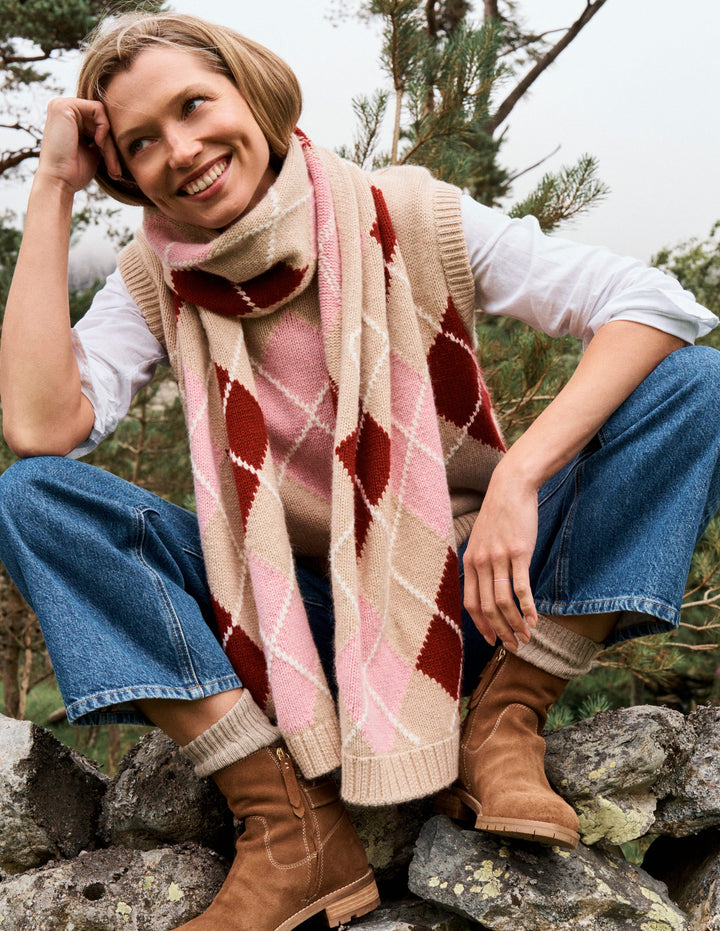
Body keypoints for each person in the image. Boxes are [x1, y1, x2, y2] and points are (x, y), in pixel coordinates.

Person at [0, 10, 719, 930]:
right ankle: (287, 823)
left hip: (475, 597)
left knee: (696, 388)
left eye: (194, 105)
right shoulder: (155, 281)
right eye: (141, 141)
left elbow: (653, 304)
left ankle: (508, 713)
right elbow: (41, 427)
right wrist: (53, 187)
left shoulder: (406, 213)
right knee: (35, 500)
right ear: (124, 171)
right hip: (286, 626)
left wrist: (517, 478)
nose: (180, 150)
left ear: (250, 93)